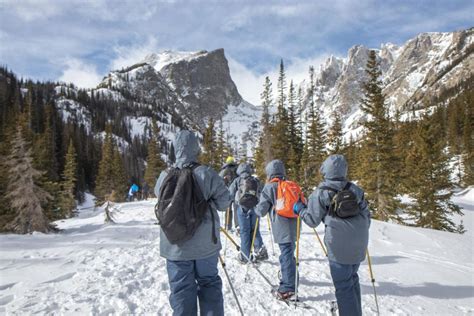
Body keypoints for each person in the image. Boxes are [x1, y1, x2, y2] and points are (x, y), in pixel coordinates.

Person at [154, 130, 231, 316]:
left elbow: (160, 198)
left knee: (181, 290)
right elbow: (224, 203)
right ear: (195, 148)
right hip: (205, 246)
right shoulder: (207, 173)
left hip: (175, 246)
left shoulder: (164, 176)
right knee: (209, 284)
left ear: (176, 149)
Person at [296, 155, 370, 316]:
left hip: (338, 245)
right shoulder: (355, 189)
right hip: (360, 242)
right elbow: (367, 215)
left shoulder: (321, 192)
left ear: (325, 170)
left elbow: (312, 221)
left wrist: (300, 209)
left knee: (343, 285)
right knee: (352, 278)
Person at [254, 159, 298, 300]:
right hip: (294, 225)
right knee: (289, 253)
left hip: (281, 226)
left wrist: (255, 208)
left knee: (286, 255)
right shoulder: (290, 185)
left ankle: (288, 288)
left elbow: (261, 210)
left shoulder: (269, 187)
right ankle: (291, 279)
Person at [228, 163, 268, 263]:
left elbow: (230, 193)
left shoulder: (237, 181)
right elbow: (264, 191)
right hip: (255, 208)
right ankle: (259, 250)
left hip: (242, 209)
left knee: (244, 231)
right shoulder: (255, 180)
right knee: (254, 230)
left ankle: (245, 256)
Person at [219, 156, 239, 231]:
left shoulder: (224, 171)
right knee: (236, 209)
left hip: (227, 192)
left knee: (228, 209)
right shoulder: (237, 170)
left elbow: (219, 179)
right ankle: (238, 225)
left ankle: (228, 226)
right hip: (236, 192)